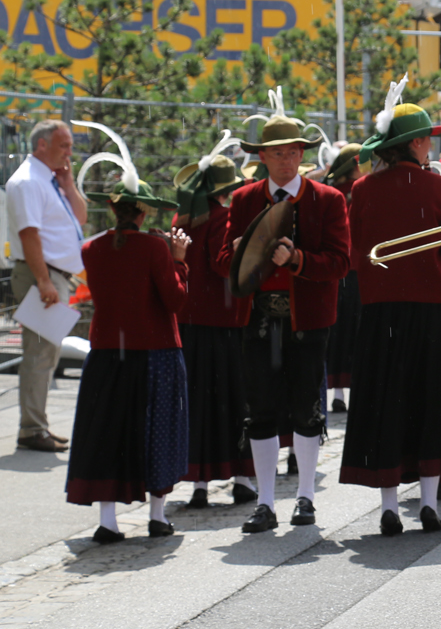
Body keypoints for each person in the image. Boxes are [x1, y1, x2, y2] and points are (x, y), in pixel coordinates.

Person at [340, 83, 441, 535]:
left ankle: (387, 505)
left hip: (381, 313)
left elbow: (357, 254)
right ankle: (429, 503)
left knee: (387, 403)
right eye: (428, 138)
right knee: (433, 403)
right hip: (435, 310)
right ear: (418, 143)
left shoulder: (362, 189)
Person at [221, 89, 351, 534]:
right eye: (276, 153)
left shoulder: (327, 199)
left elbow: (341, 261)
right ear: (262, 157)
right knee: (259, 410)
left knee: (306, 407)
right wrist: (240, 253)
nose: (285, 160)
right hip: (257, 318)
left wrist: (296, 261)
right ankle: (264, 502)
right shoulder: (243, 200)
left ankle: (306, 498)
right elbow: (221, 263)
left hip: (307, 319)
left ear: (302, 153)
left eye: (292, 152)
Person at [64, 125, 190, 542]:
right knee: (157, 431)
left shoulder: (91, 248)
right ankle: (157, 515)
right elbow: (175, 302)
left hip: (106, 354)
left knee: (108, 432)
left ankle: (107, 521)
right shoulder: (156, 248)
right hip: (155, 352)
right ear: (143, 211)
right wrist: (180, 262)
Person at [172, 135, 256, 507]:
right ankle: (243, 478)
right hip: (226, 323)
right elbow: (226, 266)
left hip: (189, 321)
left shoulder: (182, 217)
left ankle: (200, 485)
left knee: (198, 404)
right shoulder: (224, 217)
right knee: (234, 402)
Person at [6, 119, 86, 453]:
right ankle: (32, 428)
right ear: (42, 145)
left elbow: (79, 217)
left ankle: (36, 425)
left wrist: (68, 184)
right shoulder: (27, 181)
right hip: (43, 275)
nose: (69, 152)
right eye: (63, 145)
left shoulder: (48, 179)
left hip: (53, 276)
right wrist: (42, 281)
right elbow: (29, 234)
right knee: (39, 355)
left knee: (47, 354)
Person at [322, 144, 365, 414]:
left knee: (337, 334)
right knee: (358, 335)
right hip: (358, 268)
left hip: (336, 271)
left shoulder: (332, 192)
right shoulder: (363, 190)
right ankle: (357, 389)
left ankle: (337, 392)